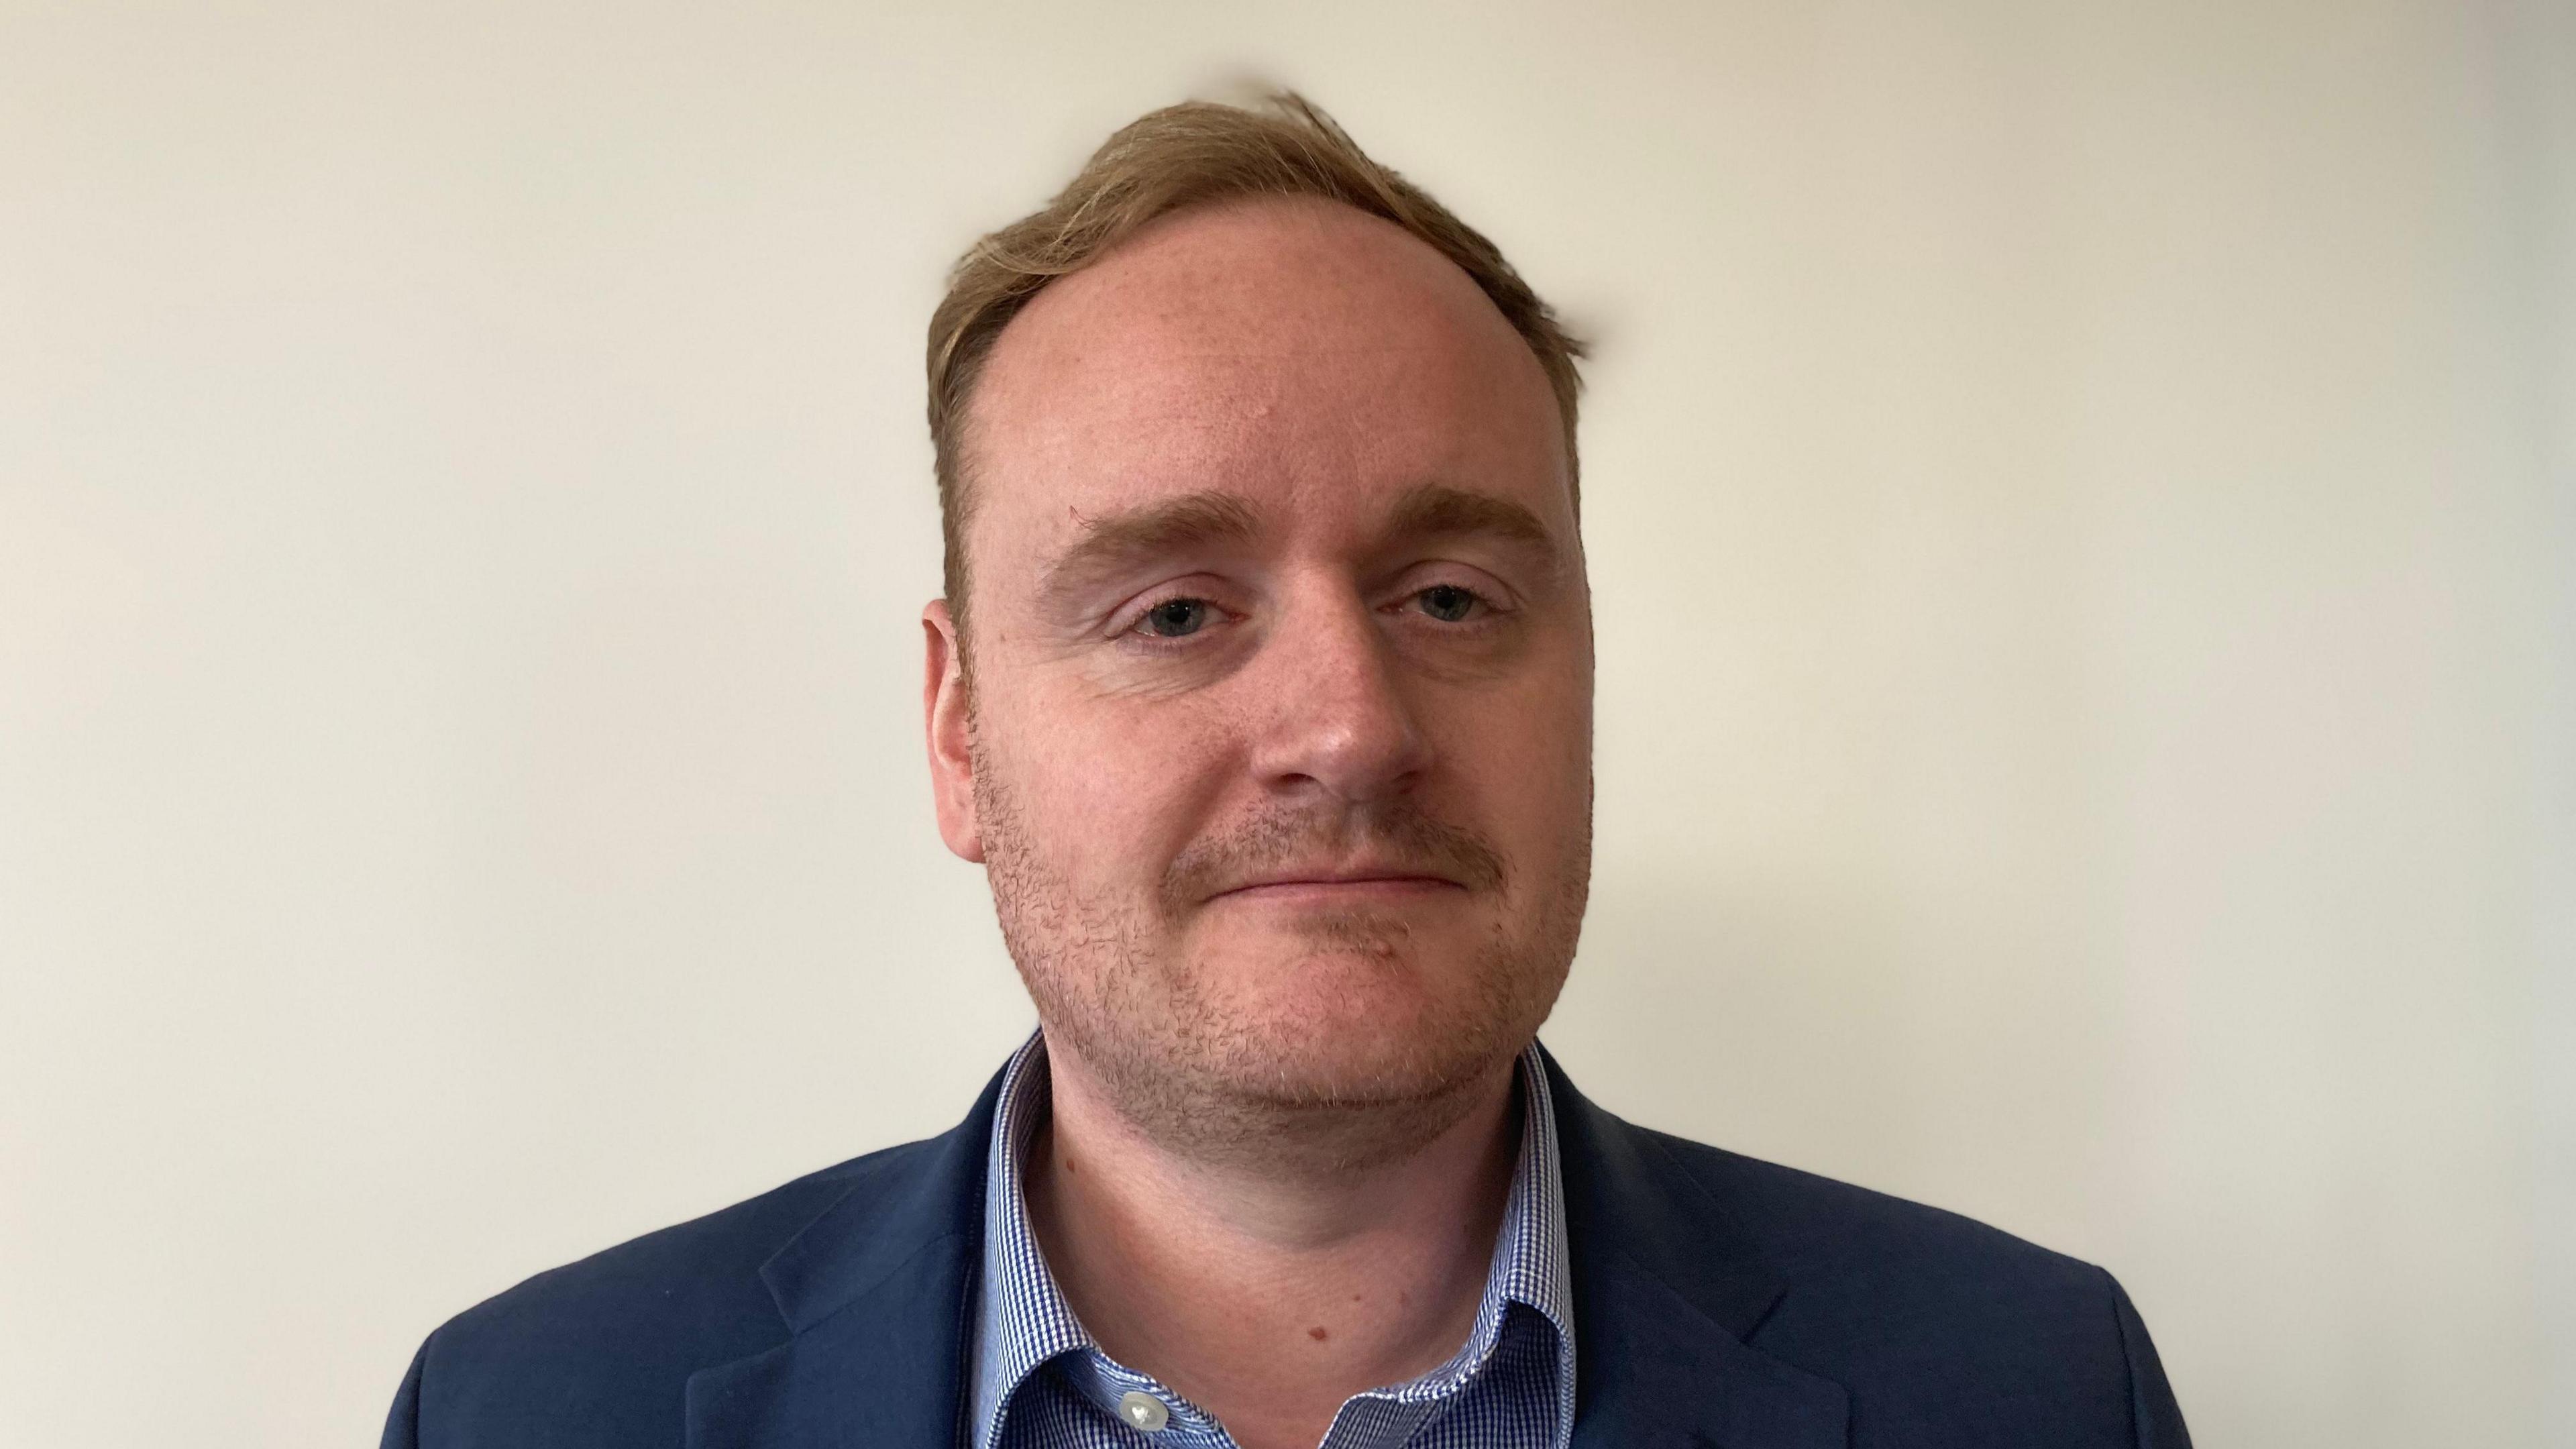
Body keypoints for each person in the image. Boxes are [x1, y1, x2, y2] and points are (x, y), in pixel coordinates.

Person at [380, 93, 2191, 1449]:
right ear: (959, 731)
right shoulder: (536, 1412)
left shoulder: (2029, 1390)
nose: (1351, 724)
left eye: (1452, 595)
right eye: (1174, 611)